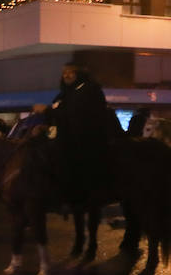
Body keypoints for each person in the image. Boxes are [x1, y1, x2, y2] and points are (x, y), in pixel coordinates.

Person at [48, 63, 120, 206]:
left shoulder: (89, 90)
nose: (67, 75)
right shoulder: (64, 93)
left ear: (79, 74)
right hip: (65, 135)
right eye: (64, 73)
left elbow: (75, 113)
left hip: (86, 138)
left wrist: (47, 111)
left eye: (71, 72)